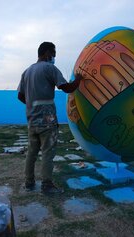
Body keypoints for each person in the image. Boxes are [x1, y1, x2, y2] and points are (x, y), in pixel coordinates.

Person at [17, 42, 83, 194]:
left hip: (31, 120)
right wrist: (78, 80)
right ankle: (46, 184)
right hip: (47, 120)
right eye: (53, 54)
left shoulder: (27, 72)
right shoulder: (49, 68)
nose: (54, 58)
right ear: (47, 53)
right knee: (48, 151)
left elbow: (20, 96)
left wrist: (32, 106)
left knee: (32, 152)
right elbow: (66, 88)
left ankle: (29, 182)